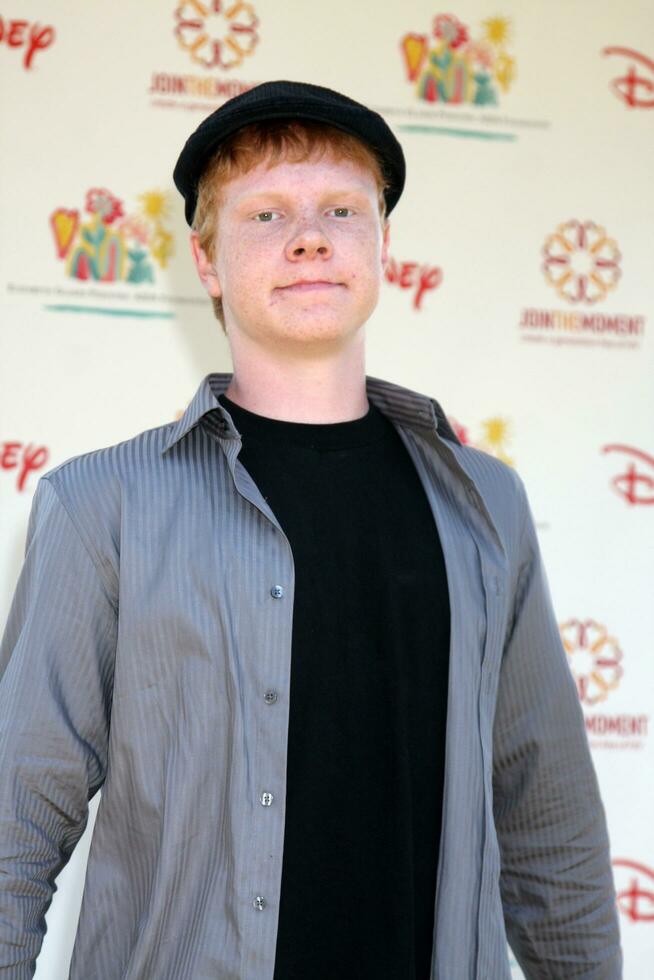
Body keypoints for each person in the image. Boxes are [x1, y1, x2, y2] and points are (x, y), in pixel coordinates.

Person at [0, 80, 621, 979]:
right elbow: (18, 817)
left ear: (383, 246)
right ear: (206, 261)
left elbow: (546, 815)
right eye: (264, 215)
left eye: (342, 208)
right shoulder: (101, 506)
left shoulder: (489, 503)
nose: (309, 236)